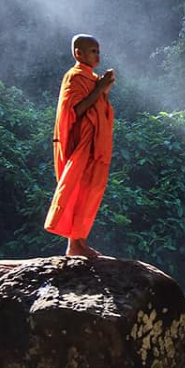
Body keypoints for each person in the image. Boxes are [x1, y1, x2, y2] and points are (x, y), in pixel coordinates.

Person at [44, 34, 115, 258]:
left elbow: (99, 108)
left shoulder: (92, 79)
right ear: (78, 54)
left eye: (98, 51)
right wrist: (100, 88)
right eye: (93, 51)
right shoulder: (74, 77)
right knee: (78, 189)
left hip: (96, 145)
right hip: (81, 144)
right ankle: (74, 244)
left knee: (92, 191)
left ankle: (79, 241)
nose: (98, 55)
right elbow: (75, 111)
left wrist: (103, 89)